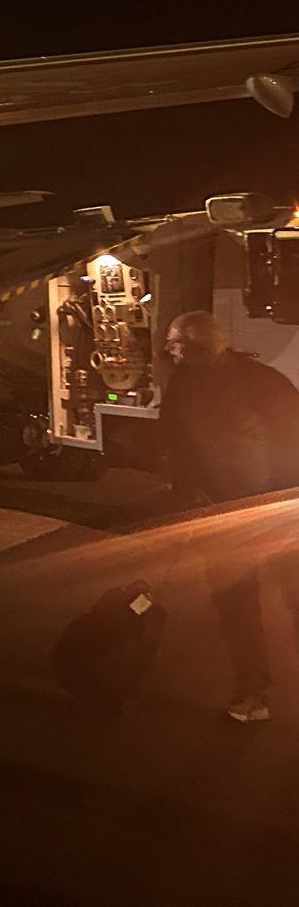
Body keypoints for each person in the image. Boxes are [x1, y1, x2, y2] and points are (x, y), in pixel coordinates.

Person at [161, 309, 299, 722]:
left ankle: (254, 694)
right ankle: (253, 693)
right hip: (222, 514)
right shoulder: (182, 385)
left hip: (274, 513)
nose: (170, 352)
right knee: (236, 609)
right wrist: (186, 490)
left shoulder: (260, 381)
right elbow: (174, 442)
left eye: (176, 344)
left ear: (200, 346)